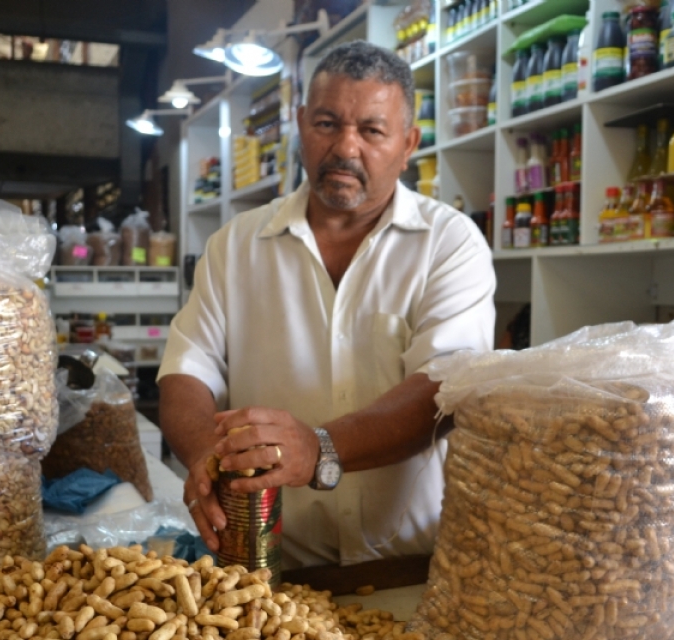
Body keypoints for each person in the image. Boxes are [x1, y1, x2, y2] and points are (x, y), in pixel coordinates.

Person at [159, 41, 496, 569]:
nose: (345, 147)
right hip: (272, 569)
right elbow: (187, 371)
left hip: (409, 568)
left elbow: (445, 386)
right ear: (299, 126)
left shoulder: (450, 243)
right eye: (326, 123)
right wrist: (206, 453)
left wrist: (320, 449)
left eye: (371, 130)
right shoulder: (237, 244)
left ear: (408, 144)